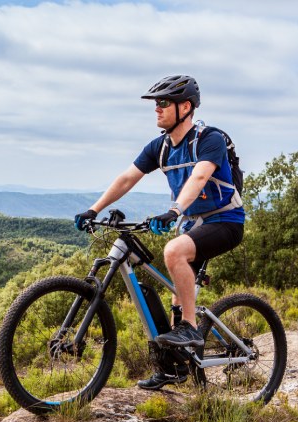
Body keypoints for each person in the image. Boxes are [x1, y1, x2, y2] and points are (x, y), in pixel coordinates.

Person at [74, 75, 245, 390]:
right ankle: (173, 369)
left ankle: (192, 329)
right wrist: (94, 209)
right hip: (194, 224)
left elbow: (199, 176)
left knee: (173, 251)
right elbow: (127, 178)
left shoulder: (209, 139)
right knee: (175, 294)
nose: (157, 109)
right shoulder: (161, 147)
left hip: (225, 222)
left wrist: (175, 210)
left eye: (163, 103)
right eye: (156, 103)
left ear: (185, 106)